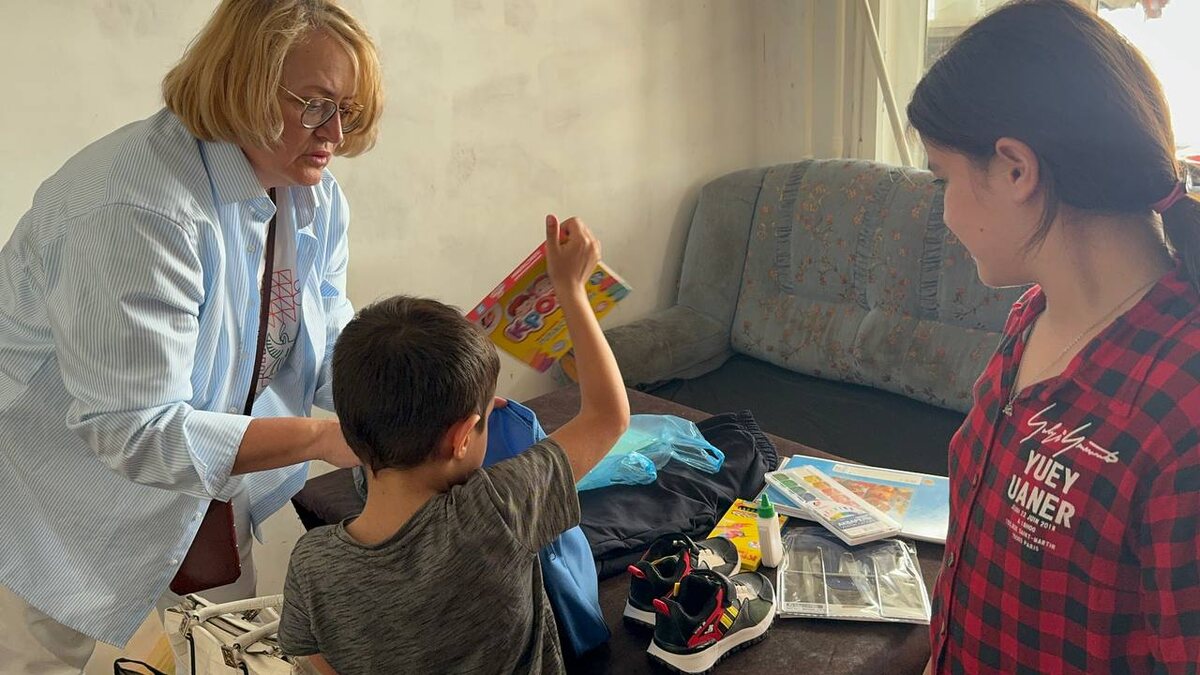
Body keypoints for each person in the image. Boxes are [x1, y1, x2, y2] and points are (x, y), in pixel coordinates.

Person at [0, 0, 382, 671]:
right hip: (49, 494)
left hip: (203, 477)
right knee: (38, 658)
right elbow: (133, 429)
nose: (336, 132)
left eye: (348, 109)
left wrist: (410, 396)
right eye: (316, 104)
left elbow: (321, 338)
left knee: (223, 646)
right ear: (244, 83)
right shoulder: (135, 208)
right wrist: (323, 439)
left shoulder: (311, 194)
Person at [907, 1, 1199, 672]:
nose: (944, 211)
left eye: (944, 178)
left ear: (1016, 169)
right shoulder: (1032, 315)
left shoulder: (1182, 408)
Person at [277, 216, 630, 674]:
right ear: (462, 437)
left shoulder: (311, 564)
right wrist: (571, 289)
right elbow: (607, 416)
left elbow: (318, 663)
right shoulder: (496, 511)